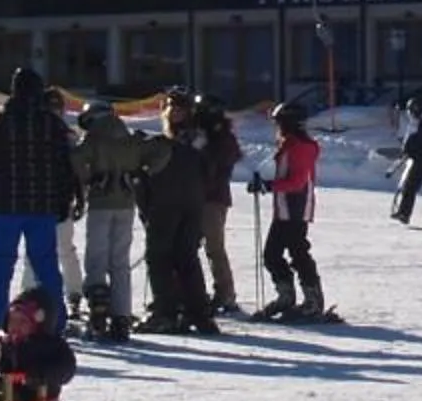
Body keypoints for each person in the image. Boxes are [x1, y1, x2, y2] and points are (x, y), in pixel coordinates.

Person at [0, 67, 76, 332]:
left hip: (4, 205)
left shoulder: (1, 122)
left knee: (0, 264)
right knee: (46, 266)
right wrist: (66, 198)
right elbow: (65, 165)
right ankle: (54, 321)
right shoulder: (52, 124)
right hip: (43, 206)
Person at [72, 96, 165, 341]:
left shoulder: (93, 138)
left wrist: (88, 180)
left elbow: (75, 160)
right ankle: (122, 317)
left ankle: (98, 310)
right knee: (120, 263)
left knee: (96, 260)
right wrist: (142, 172)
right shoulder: (130, 137)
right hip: (126, 204)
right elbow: (162, 148)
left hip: (101, 204)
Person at [137, 92, 224, 336]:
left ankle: (166, 312)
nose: (174, 112)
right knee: (186, 258)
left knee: (160, 257)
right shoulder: (199, 139)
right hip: (191, 202)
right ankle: (197, 312)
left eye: (179, 108)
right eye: (171, 107)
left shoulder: (185, 140)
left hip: (171, 203)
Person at [254, 98, 328, 317]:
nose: (276, 127)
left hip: (296, 207)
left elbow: (296, 182)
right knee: (273, 254)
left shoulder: (301, 147)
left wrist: (269, 185)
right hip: (285, 207)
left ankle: (312, 300)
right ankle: (288, 297)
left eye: (279, 123)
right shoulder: (290, 144)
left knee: (296, 252)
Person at [191, 96, 246, 318]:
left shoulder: (222, 137)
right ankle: (193, 291)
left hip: (213, 198)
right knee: (188, 246)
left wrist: (204, 149)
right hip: (194, 196)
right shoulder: (199, 134)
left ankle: (225, 293)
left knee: (214, 248)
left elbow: (220, 164)